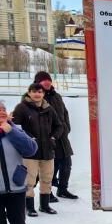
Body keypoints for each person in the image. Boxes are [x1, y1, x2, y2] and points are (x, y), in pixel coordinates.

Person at [13, 82, 63, 217]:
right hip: (30, 152)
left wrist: (53, 138)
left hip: (47, 151)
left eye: (40, 92)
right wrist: (28, 138)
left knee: (47, 179)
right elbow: (16, 126)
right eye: (34, 91)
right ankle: (29, 207)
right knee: (29, 180)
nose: (37, 94)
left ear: (43, 94)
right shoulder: (22, 108)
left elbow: (59, 126)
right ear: (29, 92)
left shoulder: (49, 108)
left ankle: (45, 205)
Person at [0, 102, 39, 224]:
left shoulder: (15, 130)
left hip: (16, 188)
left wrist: (10, 130)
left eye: (2, 112)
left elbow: (31, 149)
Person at [35, 71, 75, 200]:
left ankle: (63, 189)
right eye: (43, 80)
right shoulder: (36, 96)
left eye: (49, 80)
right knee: (50, 167)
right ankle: (47, 193)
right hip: (48, 139)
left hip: (62, 137)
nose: (47, 82)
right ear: (38, 82)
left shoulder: (56, 96)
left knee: (67, 164)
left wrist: (66, 128)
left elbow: (65, 113)